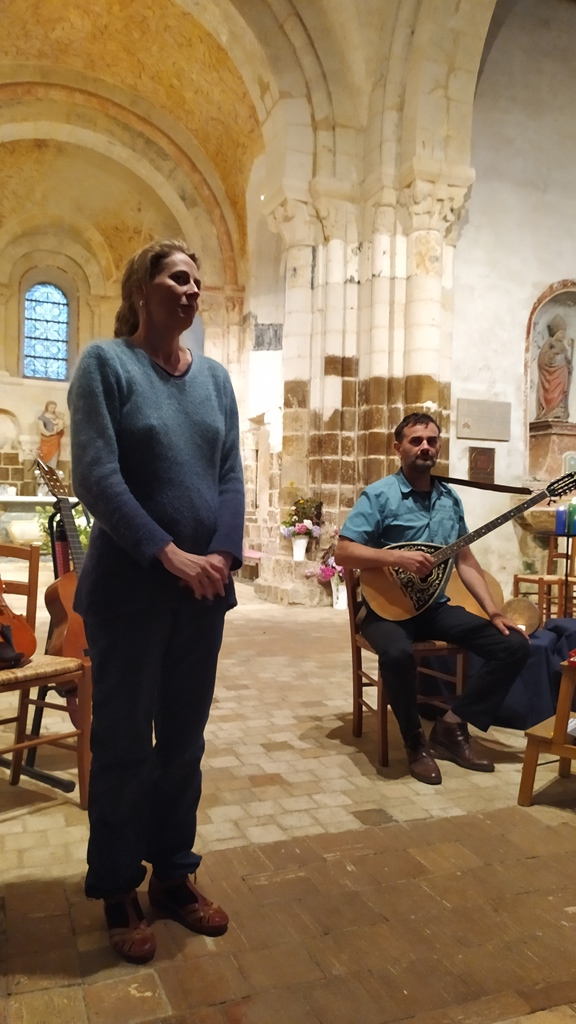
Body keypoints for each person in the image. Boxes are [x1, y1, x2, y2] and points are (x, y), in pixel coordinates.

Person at [67, 239, 245, 965]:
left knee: (182, 745)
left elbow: (230, 475)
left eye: (198, 281)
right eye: (178, 278)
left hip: (202, 597)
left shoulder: (217, 379)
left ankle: (172, 873)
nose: (192, 290)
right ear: (142, 287)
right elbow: (96, 476)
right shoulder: (106, 366)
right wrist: (167, 553)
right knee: (121, 746)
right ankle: (117, 884)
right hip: (130, 593)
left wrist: (222, 556)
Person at [335, 412, 530, 786]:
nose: (425, 447)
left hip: (433, 608)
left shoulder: (449, 499)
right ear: (398, 448)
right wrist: (396, 558)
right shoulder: (379, 495)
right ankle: (415, 745)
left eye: (431, 440)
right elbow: (343, 552)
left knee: (513, 645)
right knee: (396, 654)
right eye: (416, 441)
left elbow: (465, 560)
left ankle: (452, 726)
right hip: (383, 611)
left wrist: (494, 612)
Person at [535, 313, 573, 420]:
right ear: (556, 333)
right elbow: (542, 361)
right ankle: (550, 410)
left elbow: (567, 360)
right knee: (552, 393)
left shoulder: (563, 346)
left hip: (562, 376)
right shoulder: (549, 344)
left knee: (561, 394)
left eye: (564, 333)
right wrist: (555, 356)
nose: (563, 336)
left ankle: (560, 409)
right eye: (561, 333)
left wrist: (569, 366)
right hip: (552, 377)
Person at [37, 400, 64, 468]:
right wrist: (49, 434)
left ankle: (53, 469)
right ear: (47, 407)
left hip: (55, 440)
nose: (53, 409)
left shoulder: (57, 417)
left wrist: (59, 428)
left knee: (54, 456)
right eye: (51, 407)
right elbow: (42, 428)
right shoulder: (42, 417)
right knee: (45, 456)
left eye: (54, 408)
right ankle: (46, 470)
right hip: (46, 440)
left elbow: (61, 426)